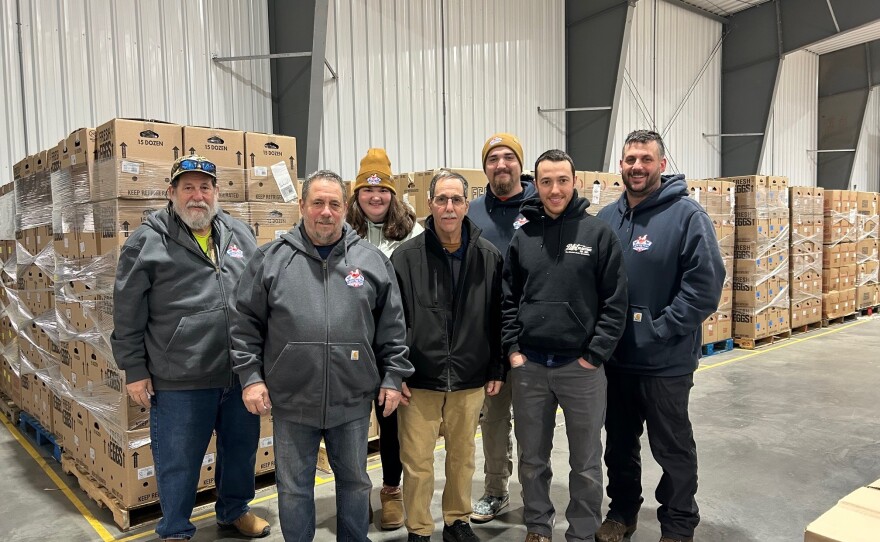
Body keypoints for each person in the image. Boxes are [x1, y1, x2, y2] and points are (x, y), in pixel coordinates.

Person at [231, 169, 414, 542]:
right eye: (317, 203)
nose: (325, 212)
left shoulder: (371, 261)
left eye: (334, 204)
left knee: (355, 483)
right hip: (292, 399)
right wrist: (251, 378)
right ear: (302, 206)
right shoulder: (271, 259)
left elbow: (393, 326)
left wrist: (393, 377)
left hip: (351, 399)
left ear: (345, 209)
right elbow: (245, 324)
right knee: (294, 488)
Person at [111, 154, 270, 541]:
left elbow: (260, 292)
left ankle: (234, 510)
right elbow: (127, 310)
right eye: (188, 188)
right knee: (178, 461)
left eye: (204, 187)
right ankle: (176, 528)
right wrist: (134, 369)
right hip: (180, 377)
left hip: (239, 374)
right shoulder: (147, 241)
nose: (197, 196)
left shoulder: (238, 233)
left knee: (240, 452)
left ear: (216, 192)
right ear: (171, 192)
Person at [595, 130, 724, 542]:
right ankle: (623, 512)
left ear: (662, 165)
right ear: (621, 164)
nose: (637, 166)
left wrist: (661, 328)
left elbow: (705, 285)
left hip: (665, 361)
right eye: (630, 159)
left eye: (645, 159)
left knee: (672, 447)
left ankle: (678, 523)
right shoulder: (606, 219)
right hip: (616, 360)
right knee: (618, 445)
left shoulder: (688, 216)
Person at [502, 149, 628, 542]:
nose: (554, 190)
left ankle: (582, 531)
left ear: (574, 182)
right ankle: (538, 526)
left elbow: (615, 301)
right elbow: (507, 299)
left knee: (586, 463)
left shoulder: (598, 234)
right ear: (535, 185)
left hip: (580, 368)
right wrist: (514, 352)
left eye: (562, 180)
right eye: (546, 181)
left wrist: (595, 355)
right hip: (531, 367)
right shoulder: (523, 237)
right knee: (532, 459)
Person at [391, 169, 505, 542]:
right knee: (418, 462)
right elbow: (393, 321)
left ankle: (458, 520)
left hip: (470, 377)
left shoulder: (488, 257)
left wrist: (496, 366)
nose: (449, 207)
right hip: (419, 377)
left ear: (466, 204)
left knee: (462, 457)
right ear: (430, 204)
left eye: (456, 199)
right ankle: (419, 529)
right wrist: (396, 374)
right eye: (442, 199)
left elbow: (498, 317)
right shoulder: (406, 258)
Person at [345, 147, 424, 531]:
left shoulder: (414, 232)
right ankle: (354, 495)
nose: (375, 197)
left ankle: (392, 491)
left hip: (396, 346)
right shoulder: (342, 232)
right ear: (357, 195)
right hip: (351, 348)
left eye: (382, 190)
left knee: (392, 426)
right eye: (366, 190)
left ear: (393, 194)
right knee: (351, 428)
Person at [467, 133, 537, 524]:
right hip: (488, 340)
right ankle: (495, 490)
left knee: (531, 423)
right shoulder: (473, 211)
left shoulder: (543, 206)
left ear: (519, 164)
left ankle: (535, 494)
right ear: (486, 168)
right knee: (493, 422)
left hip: (532, 339)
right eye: (493, 159)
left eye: (508, 157)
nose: (500, 165)